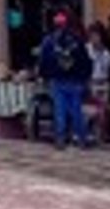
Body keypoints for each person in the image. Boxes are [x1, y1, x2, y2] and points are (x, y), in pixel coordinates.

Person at [38, 10, 92, 148]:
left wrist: (44, 76)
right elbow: (85, 60)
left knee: (60, 110)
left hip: (58, 79)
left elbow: (44, 61)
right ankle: (81, 138)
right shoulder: (77, 40)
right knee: (76, 110)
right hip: (75, 80)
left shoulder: (49, 41)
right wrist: (85, 77)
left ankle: (61, 138)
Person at [85, 22, 110, 145]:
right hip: (91, 83)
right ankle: (91, 133)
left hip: (104, 84)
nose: (95, 39)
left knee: (103, 110)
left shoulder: (105, 52)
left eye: (97, 36)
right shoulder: (86, 50)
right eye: (92, 36)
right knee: (94, 110)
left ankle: (101, 135)